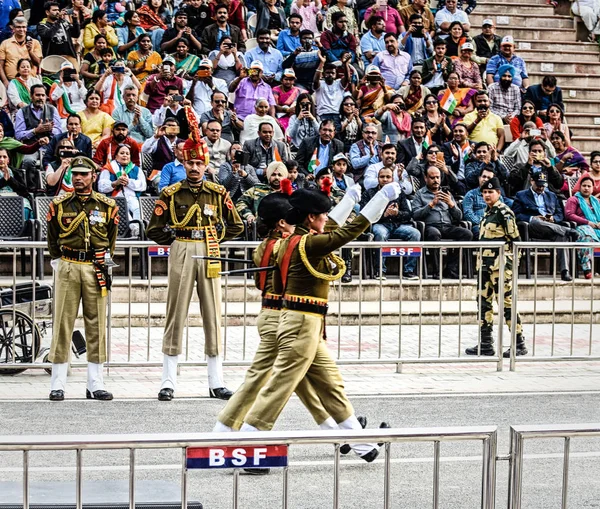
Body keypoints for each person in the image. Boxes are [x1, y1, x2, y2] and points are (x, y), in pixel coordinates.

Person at [237, 180, 398, 458]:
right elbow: (342, 234)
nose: (326, 217)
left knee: (331, 385)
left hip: (307, 325)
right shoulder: (306, 244)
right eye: (322, 213)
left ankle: (362, 445)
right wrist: (379, 202)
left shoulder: (297, 239)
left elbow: (333, 227)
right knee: (280, 386)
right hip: (300, 323)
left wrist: (350, 200)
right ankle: (250, 442)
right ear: (311, 217)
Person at [215, 187, 344, 438]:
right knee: (271, 380)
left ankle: (342, 430)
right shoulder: (281, 245)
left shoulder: (274, 244)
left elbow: (327, 229)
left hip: (278, 316)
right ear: (283, 222)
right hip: (280, 316)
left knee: (304, 381)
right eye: (293, 217)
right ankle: (227, 430)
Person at [146, 137, 245, 401]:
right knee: (176, 311)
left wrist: (213, 238)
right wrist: (177, 242)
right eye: (190, 162)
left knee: (212, 313)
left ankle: (216, 381)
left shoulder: (217, 192)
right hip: (183, 247)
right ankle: (168, 381)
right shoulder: (171, 193)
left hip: (209, 249)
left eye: (199, 163)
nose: (194, 167)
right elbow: (154, 229)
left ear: (205, 165)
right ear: (183, 162)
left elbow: (236, 225)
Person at [46, 156, 118, 402]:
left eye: (83, 174)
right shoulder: (60, 203)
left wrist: (104, 262)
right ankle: (58, 383)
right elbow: (52, 239)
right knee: (62, 324)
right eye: (75, 173)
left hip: (95, 266)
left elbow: (111, 240)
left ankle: (95, 383)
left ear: (93, 176)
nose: (78, 177)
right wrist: (60, 263)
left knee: (96, 325)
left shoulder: (107, 206)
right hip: (68, 264)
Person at [465, 177, 527, 358]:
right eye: (484, 192)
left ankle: (519, 342)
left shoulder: (504, 212)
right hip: (485, 264)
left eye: (490, 192)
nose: (487, 195)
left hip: (500, 266)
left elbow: (515, 240)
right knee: (483, 303)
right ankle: (485, 343)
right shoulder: (487, 212)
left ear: (498, 193)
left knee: (506, 303)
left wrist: (513, 265)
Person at [512, 168, 577, 281]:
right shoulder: (521, 195)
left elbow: (559, 214)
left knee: (561, 236)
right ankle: (566, 229)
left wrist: (553, 218)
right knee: (537, 221)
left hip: (551, 228)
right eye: (538, 185)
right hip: (531, 227)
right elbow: (516, 215)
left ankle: (564, 271)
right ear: (532, 181)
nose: (541, 188)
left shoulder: (551, 195)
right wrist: (532, 217)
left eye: (543, 185)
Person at [412, 165, 473, 278]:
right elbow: (415, 215)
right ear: (425, 178)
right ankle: (437, 271)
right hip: (430, 227)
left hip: (447, 226)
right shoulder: (420, 194)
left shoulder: (447, 194)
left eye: (438, 177)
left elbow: (459, 217)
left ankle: (451, 269)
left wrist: (451, 204)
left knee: (467, 234)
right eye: (432, 177)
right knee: (434, 234)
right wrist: (431, 204)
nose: (436, 180)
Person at [15, 84, 61, 190]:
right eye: (37, 95)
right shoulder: (22, 111)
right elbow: (18, 135)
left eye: (43, 95)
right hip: (31, 147)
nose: (40, 98)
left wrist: (50, 130)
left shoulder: (52, 109)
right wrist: (35, 131)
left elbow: (59, 131)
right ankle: (31, 189)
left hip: (50, 147)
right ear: (31, 96)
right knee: (28, 161)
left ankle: (53, 188)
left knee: (60, 161)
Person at [98, 143, 146, 221]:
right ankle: (133, 230)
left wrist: (129, 182)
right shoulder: (108, 168)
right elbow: (101, 187)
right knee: (126, 216)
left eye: (127, 154)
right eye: (122, 153)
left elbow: (143, 185)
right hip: (115, 199)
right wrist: (115, 183)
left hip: (132, 198)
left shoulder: (136, 169)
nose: (125, 155)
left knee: (138, 211)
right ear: (116, 156)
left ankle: (137, 230)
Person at [565, 176, 600, 279]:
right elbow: (569, 215)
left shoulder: (596, 201)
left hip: (597, 227)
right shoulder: (573, 199)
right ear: (580, 187)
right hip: (580, 227)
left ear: (593, 188)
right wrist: (588, 223)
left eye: (589, 186)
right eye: (584, 186)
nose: (586, 188)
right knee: (587, 234)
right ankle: (587, 268)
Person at [0, 16, 42, 88]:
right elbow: (0, 65)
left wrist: (30, 51)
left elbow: (38, 63)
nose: (21, 29)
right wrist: (4, 81)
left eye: (24, 27)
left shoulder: (35, 43)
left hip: (31, 82)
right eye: (18, 27)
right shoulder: (5, 43)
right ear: (13, 28)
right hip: (11, 82)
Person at [37, 2, 81, 69]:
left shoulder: (63, 22)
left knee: (74, 77)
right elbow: (48, 35)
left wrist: (75, 20)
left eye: (58, 10)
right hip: (52, 59)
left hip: (69, 57)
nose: (57, 12)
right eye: (54, 10)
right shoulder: (42, 25)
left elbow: (76, 34)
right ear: (47, 12)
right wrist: (59, 21)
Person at [313, 55, 350, 132]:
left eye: (332, 73)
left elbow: (347, 78)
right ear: (323, 74)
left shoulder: (339, 83)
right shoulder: (320, 84)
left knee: (336, 137)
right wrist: (322, 63)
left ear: (336, 74)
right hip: (323, 115)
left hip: (336, 115)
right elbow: (315, 81)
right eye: (328, 72)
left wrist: (345, 64)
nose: (330, 75)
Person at [142, 117, 185, 183]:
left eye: (173, 126)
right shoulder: (157, 140)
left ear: (178, 128)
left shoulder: (183, 143)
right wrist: (156, 136)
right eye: (168, 126)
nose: (170, 128)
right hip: (159, 173)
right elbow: (144, 150)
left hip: (179, 172)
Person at [463, 166, 502, 237]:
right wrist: (482, 222)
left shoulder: (497, 196)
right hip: (478, 225)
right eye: (484, 176)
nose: (485, 179)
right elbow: (468, 213)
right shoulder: (471, 194)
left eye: (489, 178)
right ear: (479, 178)